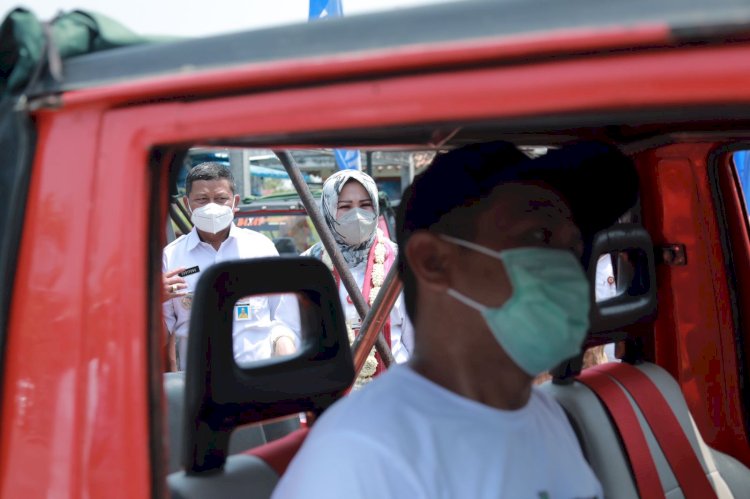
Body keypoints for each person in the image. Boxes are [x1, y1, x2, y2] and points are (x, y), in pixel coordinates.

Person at [272, 140, 638, 498]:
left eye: (572, 247)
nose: (565, 271)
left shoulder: (543, 414)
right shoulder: (360, 458)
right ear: (434, 262)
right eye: (537, 238)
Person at [162, 162, 299, 371]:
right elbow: (161, 335)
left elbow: (284, 320)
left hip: (257, 383)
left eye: (220, 199)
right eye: (201, 200)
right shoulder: (171, 257)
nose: (211, 207)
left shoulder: (261, 248)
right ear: (187, 203)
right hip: (198, 388)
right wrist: (155, 301)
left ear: (234, 202)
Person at [303, 169, 413, 378]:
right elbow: (290, 331)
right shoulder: (308, 265)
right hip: (330, 398)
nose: (357, 215)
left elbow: (417, 342)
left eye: (365, 205)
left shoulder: (401, 262)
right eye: (345, 207)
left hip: (392, 395)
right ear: (327, 210)